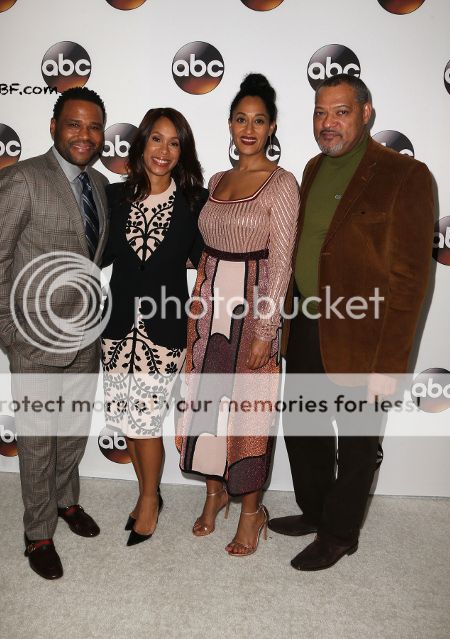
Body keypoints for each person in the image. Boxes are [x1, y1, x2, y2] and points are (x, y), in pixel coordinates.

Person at [268, 74, 435, 570]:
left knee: (358, 443)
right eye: (320, 112)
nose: (328, 123)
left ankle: (340, 535)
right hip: (306, 323)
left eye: (340, 112)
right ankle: (317, 512)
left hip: (365, 336)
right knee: (304, 428)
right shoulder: (313, 167)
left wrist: (389, 365)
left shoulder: (406, 175)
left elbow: (410, 281)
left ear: (366, 112)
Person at [0, 87, 109, 579]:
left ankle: (65, 501)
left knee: (72, 429)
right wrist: (9, 331)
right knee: (36, 440)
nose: (85, 135)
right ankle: (37, 533)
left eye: (94, 126)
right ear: (54, 126)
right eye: (74, 124)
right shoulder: (20, 179)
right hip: (32, 337)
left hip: (85, 332)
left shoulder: (99, 184)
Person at [177, 74, 300, 556]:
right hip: (208, 311)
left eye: (259, 120)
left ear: (272, 127)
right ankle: (214, 494)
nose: (249, 129)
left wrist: (266, 329)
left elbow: (282, 261)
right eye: (241, 119)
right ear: (230, 124)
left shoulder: (282, 184)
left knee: (250, 411)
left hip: (253, 312)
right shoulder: (216, 181)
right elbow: (205, 251)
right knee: (206, 404)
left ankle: (251, 511)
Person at [102, 108, 207, 546]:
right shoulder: (113, 196)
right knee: (126, 420)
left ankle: (149, 501)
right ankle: (147, 493)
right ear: (142, 143)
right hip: (116, 326)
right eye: (156, 139)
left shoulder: (195, 202)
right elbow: (100, 253)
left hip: (163, 328)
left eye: (174, 142)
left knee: (145, 422)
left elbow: (207, 262)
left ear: (183, 151)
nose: (163, 150)